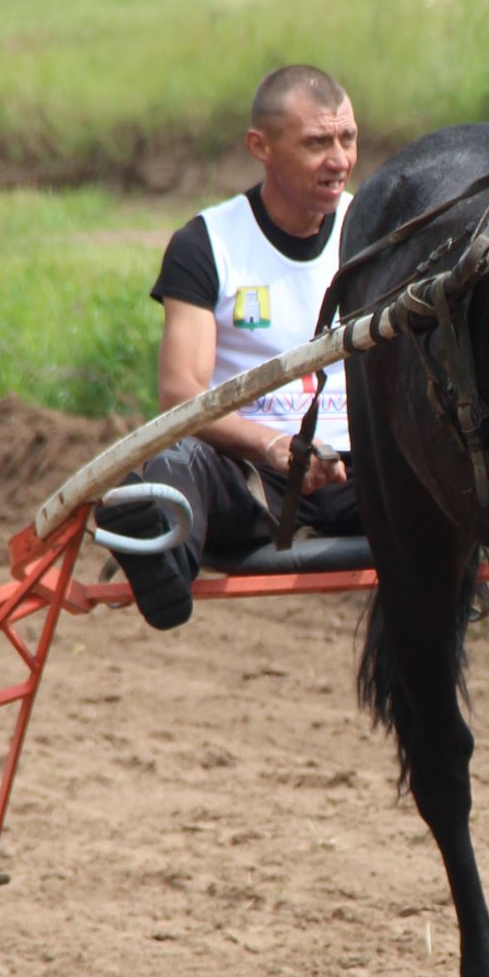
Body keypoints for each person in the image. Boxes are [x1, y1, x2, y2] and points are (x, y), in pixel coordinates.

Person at [111, 64, 361, 631]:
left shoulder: (372, 229)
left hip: (361, 471)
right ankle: (157, 552)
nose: (340, 159)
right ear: (261, 147)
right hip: (252, 478)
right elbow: (181, 395)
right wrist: (272, 446)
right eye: (317, 142)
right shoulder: (207, 243)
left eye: (347, 138)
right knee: (174, 463)